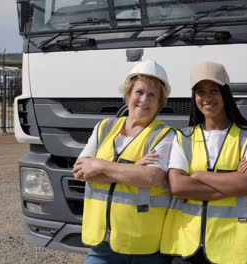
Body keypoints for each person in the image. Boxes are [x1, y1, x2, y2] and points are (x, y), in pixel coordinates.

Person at [161, 61, 247, 264]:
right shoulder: (183, 137)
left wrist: (199, 176)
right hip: (186, 247)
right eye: (200, 92)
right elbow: (178, 185)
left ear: (225, 94)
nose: (207, 98)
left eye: (214, 91)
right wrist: (232, 181)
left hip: (233, 247)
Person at [73, 60, 174, 264]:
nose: (144, 100)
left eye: (152, 95)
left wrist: (100, 165)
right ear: (128, 94)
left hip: (144, 248)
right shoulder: (104, 127)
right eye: (139, 92)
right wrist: (133, 168)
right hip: (102, 245)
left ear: (160, 102)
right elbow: (80, 170)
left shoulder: (165, 135)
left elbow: (151, 176)